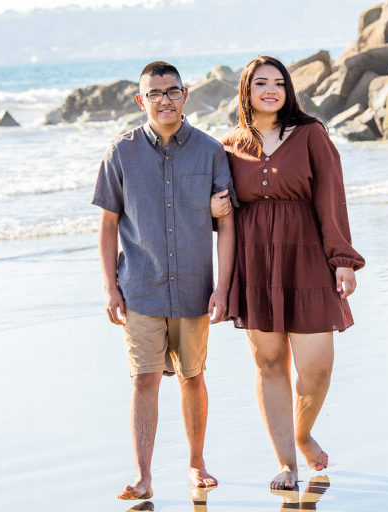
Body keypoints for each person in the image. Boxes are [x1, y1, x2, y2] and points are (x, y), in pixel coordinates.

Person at [214, 56, 364, 490]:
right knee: (269, 363)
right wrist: (210, 211)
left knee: (317, 367)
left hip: (309, 258)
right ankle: (286, 462)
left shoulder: (311, 134)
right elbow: (217, 213)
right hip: (255, 263)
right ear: (246, 90)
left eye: (279, 83)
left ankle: (302, 433)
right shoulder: (227, 146)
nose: (271, 90)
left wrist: (342, 259)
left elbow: (332, 198)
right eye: (261, 83)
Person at [93, 61, 236, 500]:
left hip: (194, 287)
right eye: (154, 93)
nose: (164, 100)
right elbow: (107, 224)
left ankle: (196, 463)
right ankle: (143, 476)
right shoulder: (121, 152)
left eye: (172, 91)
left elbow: (227, 224)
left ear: (185, 95)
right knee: (144, 379)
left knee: (193, 376)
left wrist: (223, 287)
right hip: (140, 287)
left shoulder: (210, 151)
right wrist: (109, 287)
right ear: (142, 101)